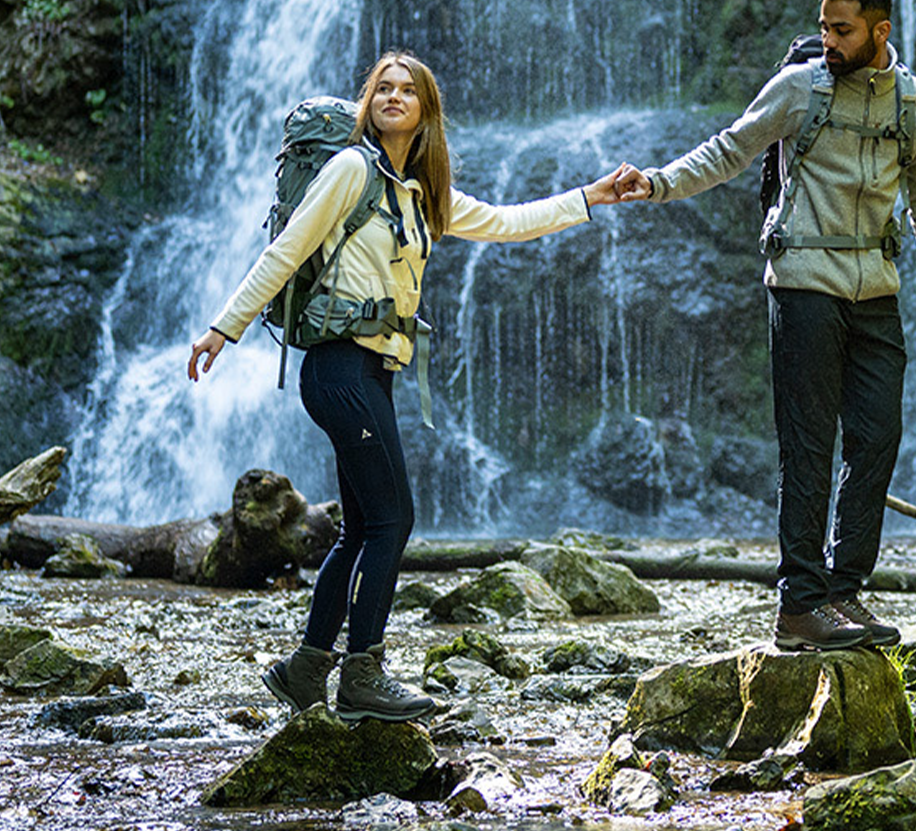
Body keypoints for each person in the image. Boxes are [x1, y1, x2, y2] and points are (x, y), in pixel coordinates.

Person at [188, 52, 646, 721]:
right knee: (393, 520)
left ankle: (305, 669)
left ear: (427, 110)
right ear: (369, 103)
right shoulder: (351, 171)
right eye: (383, 89)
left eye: (408, 91)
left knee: (362, 529)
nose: (394, 97)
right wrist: (221, 330)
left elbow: (505, 222)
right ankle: (363, 674)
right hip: (339, 368)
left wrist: (591, 197)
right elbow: (286, 250)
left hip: (376, 372)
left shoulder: (421, 192)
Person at [629, 0, 916, 651]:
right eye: (823, 26)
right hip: (803, 282)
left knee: (877, 438)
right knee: (809, 444)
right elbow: (732, 148)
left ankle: (843, 590)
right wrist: (658, 183)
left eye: (842, 30)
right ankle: (799, 604)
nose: (828, 41)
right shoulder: (800, 89)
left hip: (876, 290)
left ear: (881, 31)